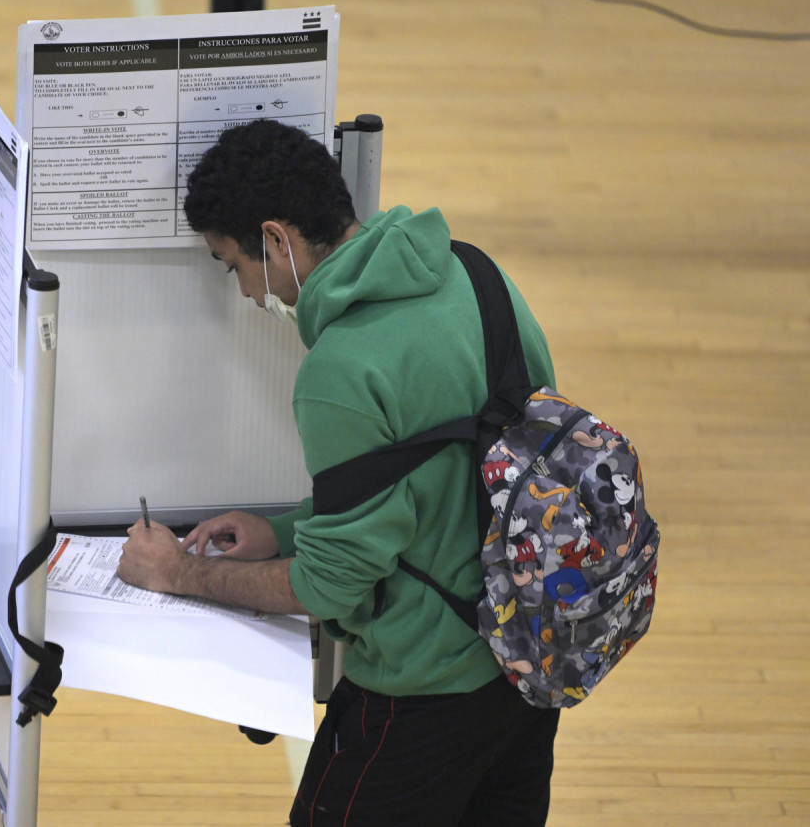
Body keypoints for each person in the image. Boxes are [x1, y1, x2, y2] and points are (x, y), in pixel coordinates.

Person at [116, 119, 562, 826]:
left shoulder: (340, 370)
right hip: (528, 666)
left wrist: (179, 573)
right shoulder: (478, 274)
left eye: (234, 264)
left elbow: (329, 585)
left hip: (420, 692)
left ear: (276, 239)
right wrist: (286, 527)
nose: (243, 291)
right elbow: (460, 469)